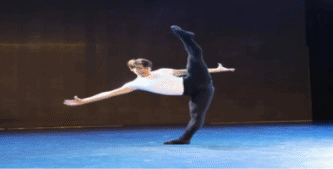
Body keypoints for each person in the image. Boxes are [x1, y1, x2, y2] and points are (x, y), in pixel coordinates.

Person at [64, 26, 234, 145]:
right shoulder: (136, 83)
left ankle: (185, 36)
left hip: (196, 80)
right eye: (138, 69)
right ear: (132, 70)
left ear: (149, 67)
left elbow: (184, 71)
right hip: (201, 92)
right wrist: (84, 101)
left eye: (145, 67)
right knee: (196, 116)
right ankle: (185, 139)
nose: (143, 71)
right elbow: (109, 93)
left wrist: (217, 70)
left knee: (195, 58)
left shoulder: (163, 71)